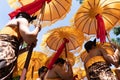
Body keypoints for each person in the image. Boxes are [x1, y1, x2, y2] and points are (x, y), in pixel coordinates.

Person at [0, 12, 41, 79]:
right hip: (5, 51)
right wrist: (37, 28)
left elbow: (16, 52)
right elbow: (29, 37)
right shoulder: (23, 20)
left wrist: (26, 49)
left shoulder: (11, 25)